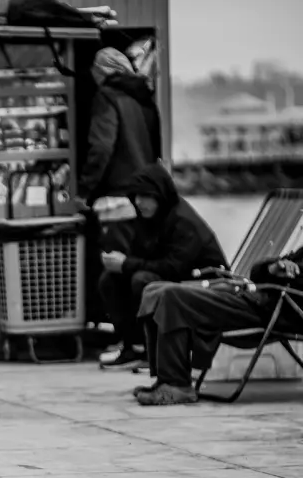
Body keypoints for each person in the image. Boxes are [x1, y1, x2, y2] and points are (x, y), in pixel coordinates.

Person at [133, 246, 303, 406]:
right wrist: (272, 268)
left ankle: (176, 384)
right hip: (255, 300)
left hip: (272, 312)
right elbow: (256, 274)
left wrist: (287, 279)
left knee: (172, 296)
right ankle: (164, 379)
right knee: (153, 290)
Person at [97, 163, 228, 370]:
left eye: (145, 196)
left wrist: (126, 264)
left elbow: (174, 268)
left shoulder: (183, 221)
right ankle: (135, 346)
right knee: (110, 279)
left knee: (143, 281)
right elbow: (142, 256)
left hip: (204, 283)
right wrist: (119, 262)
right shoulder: (149, 217)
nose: (139, 202)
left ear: (160, 195)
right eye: (136, 196)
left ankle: (154, 351)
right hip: (175, 276)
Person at [76, 47, 162, 331]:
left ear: (102, 72)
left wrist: (85, 190)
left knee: (115, 274)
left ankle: (129, 341)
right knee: (135, 268)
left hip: (116, 200)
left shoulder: (107, 96)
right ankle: (142, 338)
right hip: (144, 199)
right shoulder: (145, 99)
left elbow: (101, 147)